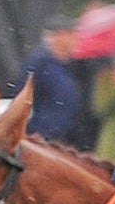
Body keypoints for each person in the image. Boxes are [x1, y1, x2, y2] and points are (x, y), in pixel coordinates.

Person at [19, 13, 92, 148]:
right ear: (59, 35)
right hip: (45, 135)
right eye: (71, 33)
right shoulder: (40, 63)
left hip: (69, 136)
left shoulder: (72, 64)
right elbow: (22, 95)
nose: (75, 38)